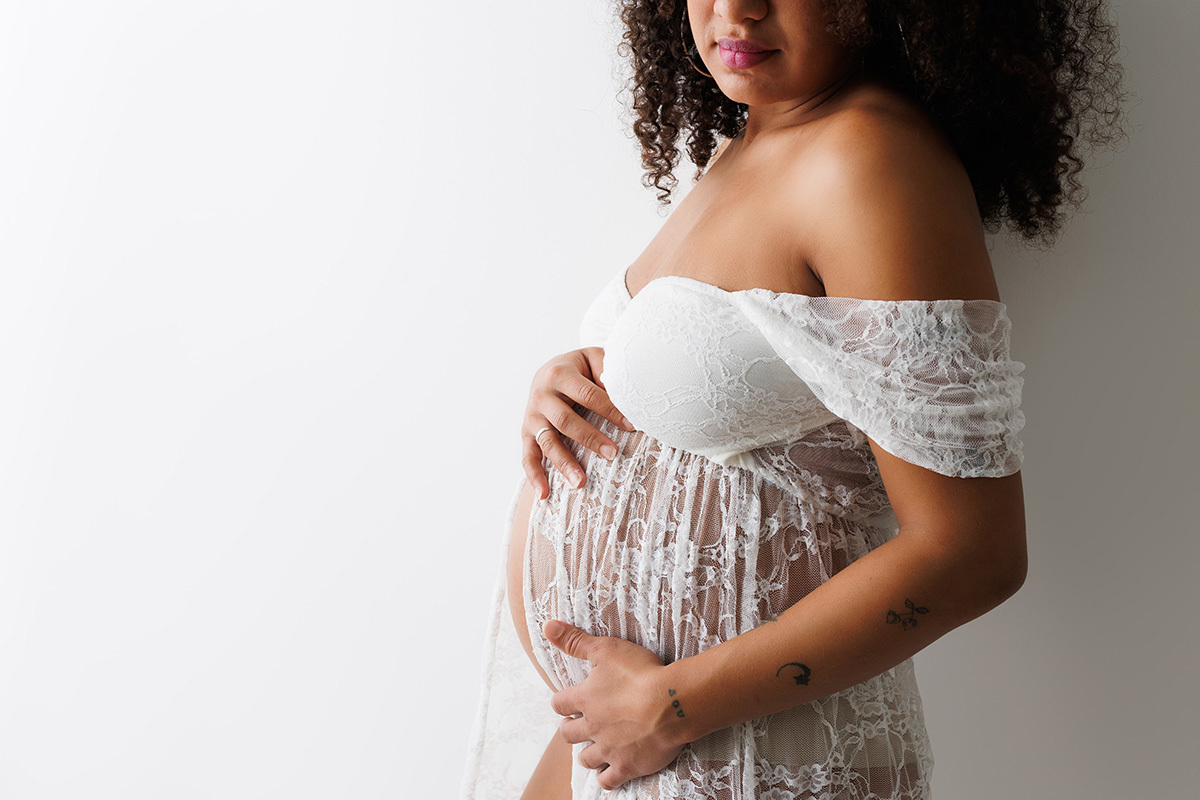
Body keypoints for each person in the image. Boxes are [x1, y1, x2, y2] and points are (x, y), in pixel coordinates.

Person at [462, 1, 1125, 798]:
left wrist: (672, 705)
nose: (735, 9)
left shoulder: (870, 158)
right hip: (622, 741)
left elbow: (973, 552)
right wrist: (577, 381)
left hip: (741, 756)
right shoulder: (744, 147)